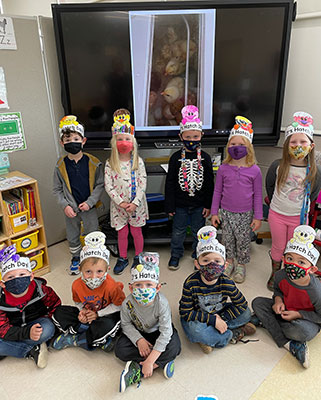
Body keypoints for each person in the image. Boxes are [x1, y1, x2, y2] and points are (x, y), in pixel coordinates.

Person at [265, 111, 321, 290]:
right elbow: (270, 187)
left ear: (310, 146)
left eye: (303, 142)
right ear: (287, 145)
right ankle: (275, 273)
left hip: (299, 217)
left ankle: (289, 276)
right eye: (293, 142)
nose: (298, 145)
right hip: (277, 214)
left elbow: (313, 193)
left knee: (293, 248)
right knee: (278, 246)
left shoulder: (314, 171)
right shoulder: (277, 165)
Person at [252, 225, 321, 369]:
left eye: (301, 262)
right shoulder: (281, 274)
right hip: (285, 310)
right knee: (257, 302)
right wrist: (278, 300)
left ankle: (267, 323)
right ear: (283, 258)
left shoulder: (315, 290)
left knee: (303, 332)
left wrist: (298, 315)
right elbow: (278, 290)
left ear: (312, 269)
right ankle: (290, 344)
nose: (293, 265)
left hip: (305, 320)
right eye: (289, 258)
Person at [179, 226, 256, 354]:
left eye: (217, 261)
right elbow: (185, 312)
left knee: (246, 313)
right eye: (205, 261)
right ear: (197, 264)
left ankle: (211, 336)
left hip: (220, 312)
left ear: (225, 265)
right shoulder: (190, 283)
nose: (211, 265)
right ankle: (232, 334)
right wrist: (213, 320)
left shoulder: (226, 282)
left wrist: (221, 318)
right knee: (195, 331)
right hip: (198, 317)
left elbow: (242, 304)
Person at [114, 252, 181, 393]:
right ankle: (162, 361)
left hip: (159, 332)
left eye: (149, 285)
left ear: (157, 288)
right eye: (138, 285)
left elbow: (166, 332)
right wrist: (139, 340)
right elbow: (125, 324)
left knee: (175, 347)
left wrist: (150, 361)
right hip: (140, 333)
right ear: (131, 288)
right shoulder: (127, 303)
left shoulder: (161, 303)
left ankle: (141, 366)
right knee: (120, 349)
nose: (143, 289)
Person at [51, 231, 125, 352]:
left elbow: (119, 306)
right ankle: (89, 334)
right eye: (88, 272)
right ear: (80, 269)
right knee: (59, 313)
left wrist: (97, 315)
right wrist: (83, 312)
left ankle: (76, 339)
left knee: (114, 323)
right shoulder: (76, 285)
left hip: (104, 315)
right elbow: (78, 302)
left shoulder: (112, 286)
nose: (94, 277)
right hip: (88, 315)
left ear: (107, 270)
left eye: (99, 271)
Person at [211, 116, 262, 283]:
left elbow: (258, 195)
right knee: (227, 239)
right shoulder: (223, 168)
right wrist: (214, 213)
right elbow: (217, 191)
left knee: (242, 240)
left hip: (245, 213)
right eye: (233, 144)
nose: (237, 147)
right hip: (225, 211)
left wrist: (257, 217)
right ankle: (230, 261)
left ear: (249, 147)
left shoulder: (254, 170)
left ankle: (241, 264)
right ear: (228, 146)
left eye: (242, 145)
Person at [53, 115, 104, 275]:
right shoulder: (60, 165)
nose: (72, 142)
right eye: (68, 140)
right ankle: (76, 257)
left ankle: (94, 257)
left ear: (83, 140)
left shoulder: (94, 162)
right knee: (73, 234)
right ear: (62, 143)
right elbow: (57, 189)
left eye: (76, 138)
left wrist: (90, 202)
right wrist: (65, 205)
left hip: (89, 207)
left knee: (92, 232)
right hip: (71, 209)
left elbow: (100, 184)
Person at [165, 105, 214, 270]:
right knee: (177, 231)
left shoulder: (206, 158)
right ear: (181, 136)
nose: (191, 139)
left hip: (199, 204)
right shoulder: (175, 158)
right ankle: (175, 254)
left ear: (201, 135)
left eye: (195, 136)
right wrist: (170, 205)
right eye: (188, 136)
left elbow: (209, 184)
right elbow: (170, 182)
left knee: (198, 232)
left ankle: (198, 255)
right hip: (180, 204)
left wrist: (208, 205)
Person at [0, 245, 61, 368]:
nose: (17, 280)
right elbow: (3, 328)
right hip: (12, 328)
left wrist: (51, 324)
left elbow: (56, 305)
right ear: (2, 283)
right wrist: (27, 333)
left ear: (31, 276)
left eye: (22, 274)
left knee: (48, 329)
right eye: (10, 277)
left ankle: (14, 346)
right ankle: (31, 350)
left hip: (37, 323)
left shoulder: (42, 290)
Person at [104, 109, 148, 275]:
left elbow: (143, 182)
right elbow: (109, 185)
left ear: (133, 142)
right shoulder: (110, 163)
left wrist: (135, 202)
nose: (123, 142)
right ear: (114, 142)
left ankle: (138, 256)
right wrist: (120, 202)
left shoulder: (138, 161)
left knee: (136, 231)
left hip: (137, 206)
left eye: (127, 139)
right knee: (122, 232)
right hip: (118, 207)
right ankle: (122, 257)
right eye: (120, 139)